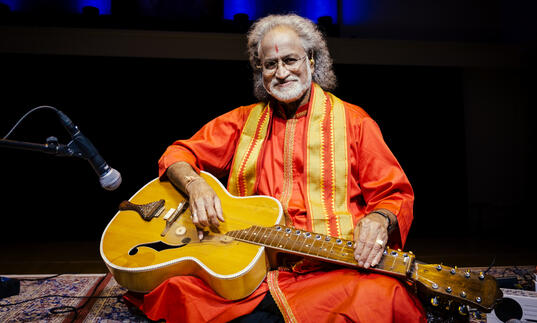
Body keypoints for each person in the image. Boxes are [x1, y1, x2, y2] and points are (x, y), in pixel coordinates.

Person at [125, 14, 426, 323]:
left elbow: (395, 194)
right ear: (260, 71)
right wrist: (195, 185)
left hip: (331, 270)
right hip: (251, 267)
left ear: (311, 60)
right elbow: (177, 154)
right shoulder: (243, 121)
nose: (281, 73)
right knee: (177, 288)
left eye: (290, 60)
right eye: (270, 64)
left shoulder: (355, 122)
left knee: (386, 296)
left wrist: (379, 218)